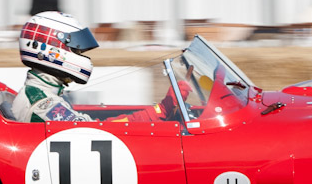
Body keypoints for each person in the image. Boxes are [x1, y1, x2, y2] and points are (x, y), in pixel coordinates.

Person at [13, 11, 188, 123]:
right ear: (51, 50)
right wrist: (161, 111)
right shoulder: (43, 105)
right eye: (76, 50)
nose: (80, 55)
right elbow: (101, 132)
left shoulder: (43, 93)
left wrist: (159, 110)